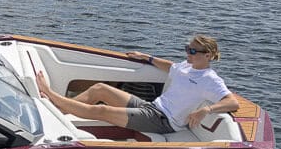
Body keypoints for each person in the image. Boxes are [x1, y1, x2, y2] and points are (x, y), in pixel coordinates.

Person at [34, 34, 239, 135]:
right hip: (151, 107)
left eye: (193, 51)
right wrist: (147, 58)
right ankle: (58, 110)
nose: (188, 53)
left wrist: (206, 109)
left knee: (103, 110)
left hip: (164, 122)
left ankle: (51, 96)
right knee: (100, 89)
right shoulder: (186, 66)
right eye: (188, 48)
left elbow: (232, 103)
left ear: (208, 55)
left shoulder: (210, 79)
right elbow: (170, 67)